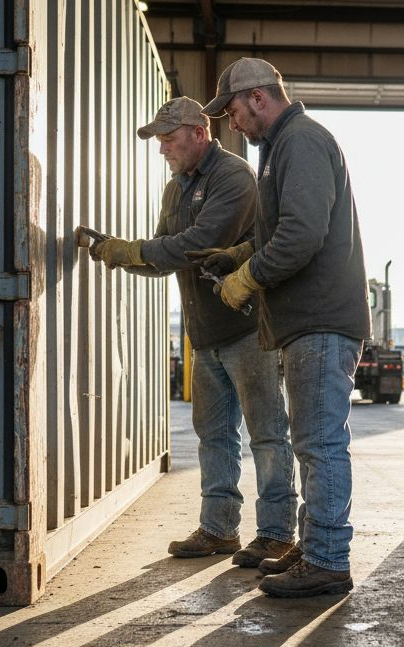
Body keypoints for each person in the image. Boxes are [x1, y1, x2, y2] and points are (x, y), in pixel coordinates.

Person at [88, 96, 297, 568]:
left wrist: (131, 250)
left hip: (248, 330)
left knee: (266, 433)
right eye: (158, 139)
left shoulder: (234, 177)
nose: (162, 148)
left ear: (198, 133)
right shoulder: (175, 189)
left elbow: (198, 245)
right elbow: (164, 257)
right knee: (215, 435)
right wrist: (117, 254)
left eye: (167, 137)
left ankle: (277, 534)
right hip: (204, 334)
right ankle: (219, 529)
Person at [193, 59, 371, 598]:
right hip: (304, 323)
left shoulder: (301, 142)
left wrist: (248, 277)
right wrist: (237, 255)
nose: (231, 122)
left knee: (318, 443)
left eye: (232, 110)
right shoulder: (280, 149)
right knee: (308, 441)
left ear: (258, 98)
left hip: (319, 320)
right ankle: (314, 544)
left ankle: (327, 560)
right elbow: (278, 231)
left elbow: (301, 234)